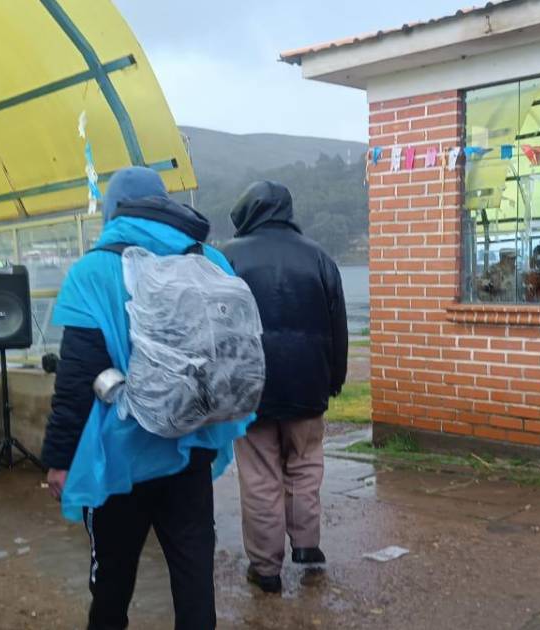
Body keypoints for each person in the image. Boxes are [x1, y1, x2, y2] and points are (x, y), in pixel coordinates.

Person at [43, 167, 254, 630]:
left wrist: (59, 459)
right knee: (194, 572)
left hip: (120, 456)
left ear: (113, 209)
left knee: (113, 579)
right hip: (191, 448)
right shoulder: (211, 259)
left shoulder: (94, 270)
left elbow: (78, 376)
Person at [221, 181, 348, 594]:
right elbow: (338, 328)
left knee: (259, 474)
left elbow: (216, 327)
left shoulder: (227, 257)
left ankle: (266, 568)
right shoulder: (320, 258)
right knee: (306, 464)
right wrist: (335, 379)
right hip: (309, 383)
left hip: (250, 387)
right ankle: (308, 546)